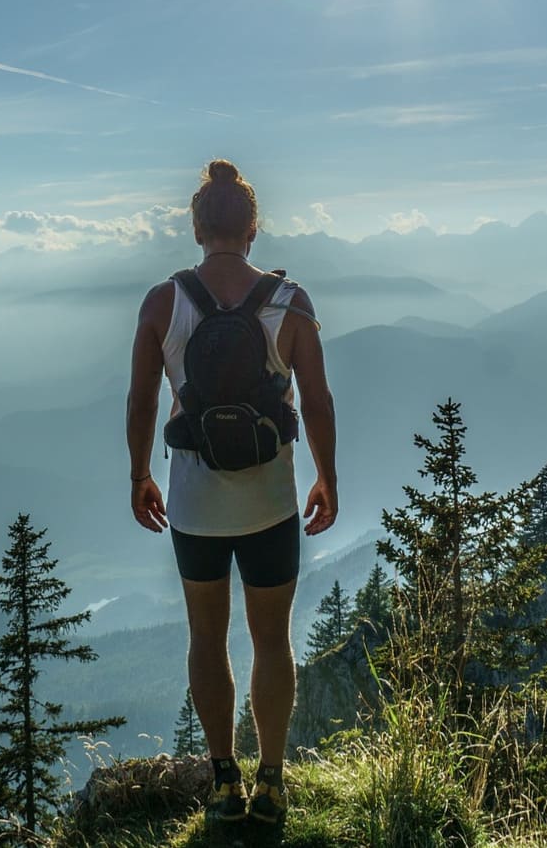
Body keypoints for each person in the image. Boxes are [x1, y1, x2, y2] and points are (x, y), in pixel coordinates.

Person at [125, 158, 339, 826]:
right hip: (270, 501)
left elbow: (141, 398)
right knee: (272, 641)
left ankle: (224, 781)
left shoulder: (163, 303)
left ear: (197, 229)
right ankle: (271, 780)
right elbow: (318, 400)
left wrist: (139, 474)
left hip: (195, 506)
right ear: (252, 229)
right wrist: (327, 476)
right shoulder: (290, 302)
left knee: (206, 636)